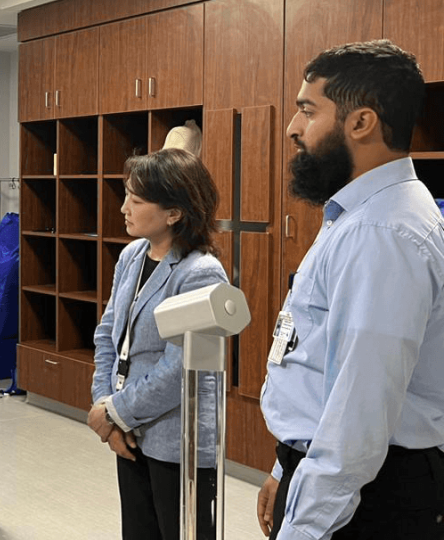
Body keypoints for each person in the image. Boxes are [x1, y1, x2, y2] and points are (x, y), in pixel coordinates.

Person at [257, 40, 444, 540]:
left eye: (307, 110)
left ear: (361, 123)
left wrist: (305, 529)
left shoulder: (384, 233)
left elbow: (360, 414)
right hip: (338, 475)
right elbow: (319, 361)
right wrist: (285, 467)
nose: (294, 128)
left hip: (370, 496)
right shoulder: (358, 212)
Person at [88, 147, 228, 540]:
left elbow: (182, 368)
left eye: (137, 200)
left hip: (175, 440)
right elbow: (108, 334)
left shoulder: (200, 273)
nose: (124, 209)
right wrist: (105, 403)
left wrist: (116, 411)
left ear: (174, 212)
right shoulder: (132, 254)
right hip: (130, 427)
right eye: (126, 196)